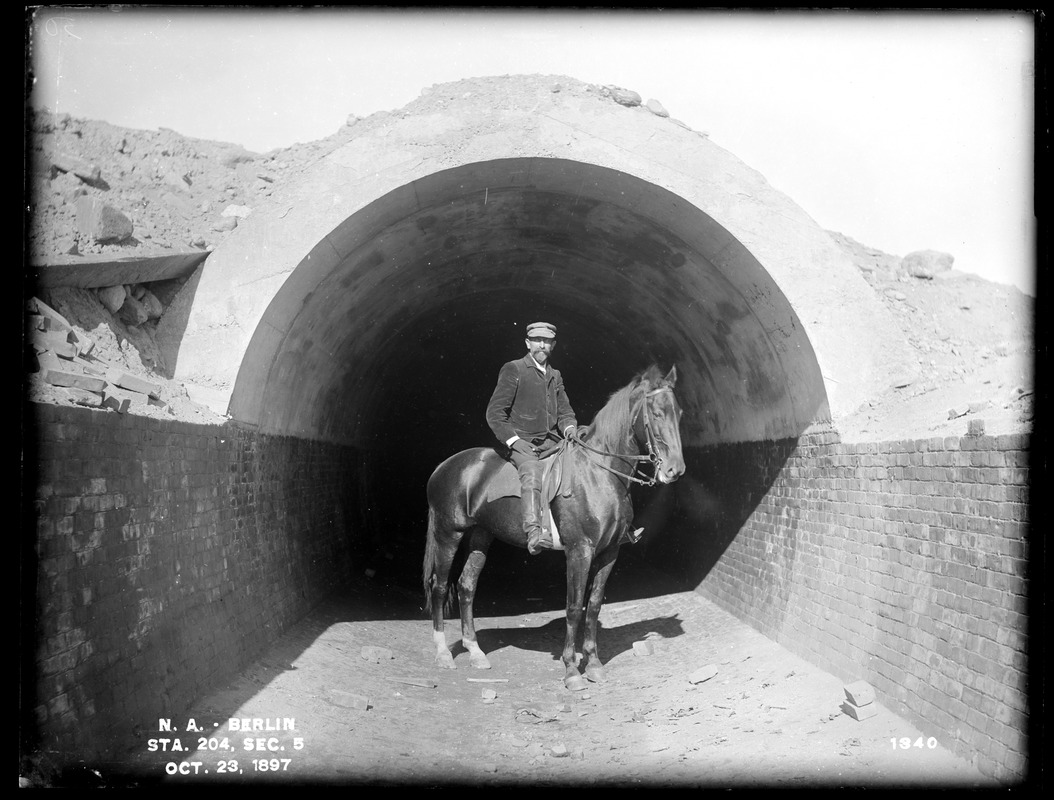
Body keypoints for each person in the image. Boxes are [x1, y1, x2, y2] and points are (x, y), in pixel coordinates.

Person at [486, 322, 579, 554]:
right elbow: (495, 414)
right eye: (537, 340)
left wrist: (569, 429)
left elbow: (565, 412)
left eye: (547, 341)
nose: (542, 344)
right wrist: (514, 441)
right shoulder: (514, 369)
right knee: (532, 473)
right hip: (523, 443)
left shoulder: (555, 376)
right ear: (528, 343)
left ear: (553, 345)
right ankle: (534, 533)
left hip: (552, 442)